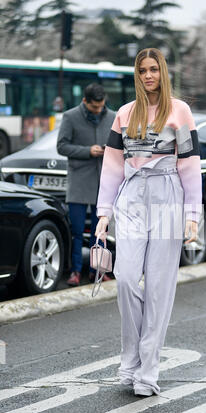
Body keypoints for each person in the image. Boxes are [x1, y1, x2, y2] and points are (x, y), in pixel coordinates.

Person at [95, 48, 202, 397]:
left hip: (168, 194)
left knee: (158, 288)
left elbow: (189, 165)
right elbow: (111, 166)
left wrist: (191, 215)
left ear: (163, 72)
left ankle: (147, 371)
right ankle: (130, 360)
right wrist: (103, 213)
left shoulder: (180, 110)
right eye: (142, 70)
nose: (149, 76)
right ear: (137, 75)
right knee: (125, 279)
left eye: (154, 69)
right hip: (131, 197)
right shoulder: (125, 113)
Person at [57, 83, 115, 286]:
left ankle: (98, 271)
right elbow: (61, 146)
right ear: (85, 102)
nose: (99, 110)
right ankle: (74, 271)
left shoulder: (113, 117)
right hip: (80, 182)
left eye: (101, 106)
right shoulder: (70, 117)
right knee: (77, 231)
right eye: (94, 107)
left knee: (101, 231)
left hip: (104, 183)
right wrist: (87, 151)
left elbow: (121, 145)